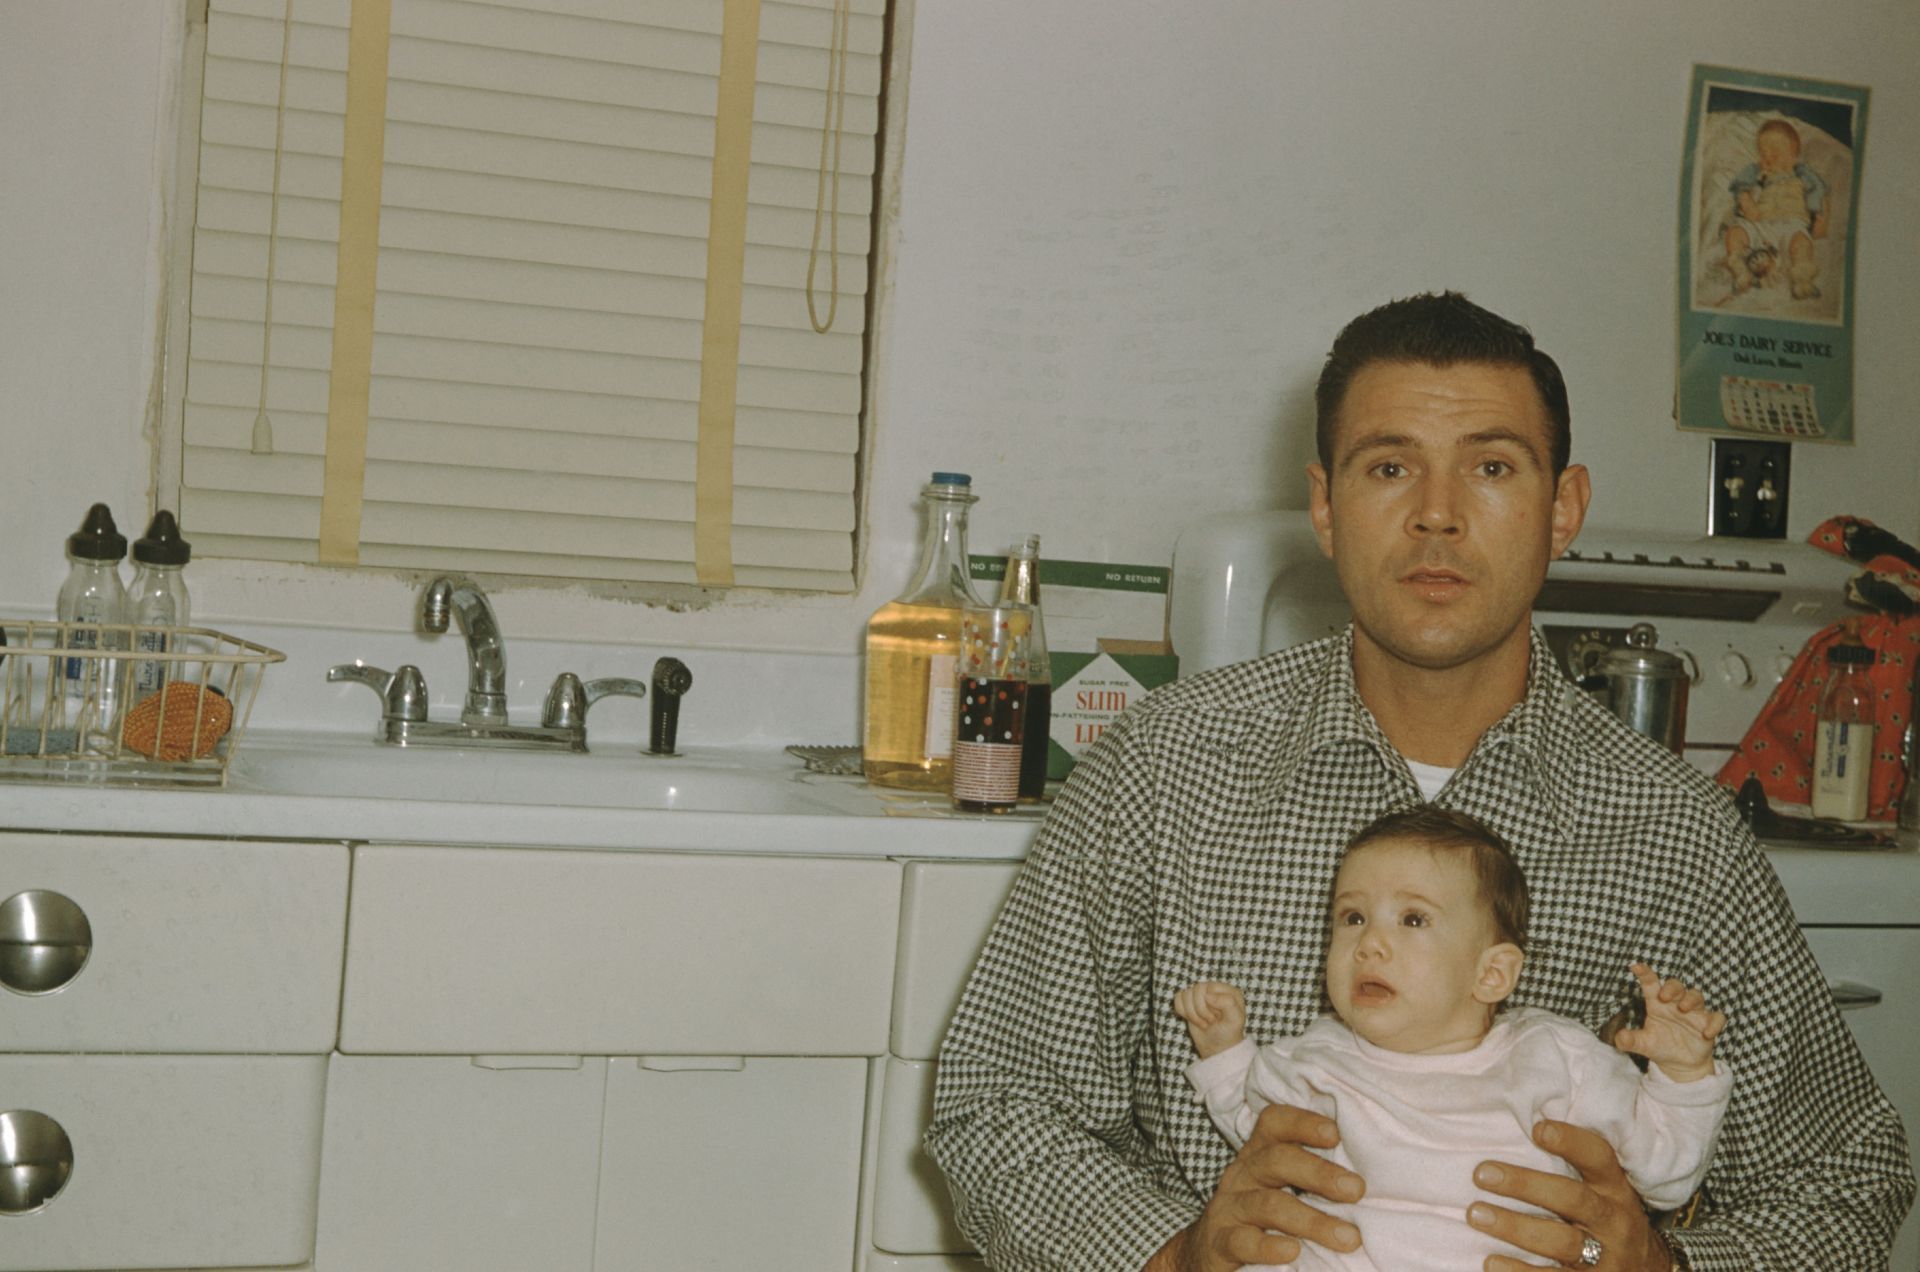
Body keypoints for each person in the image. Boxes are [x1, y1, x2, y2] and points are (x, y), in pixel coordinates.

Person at [926, 291, 1913, 1271]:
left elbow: (1845, 1179)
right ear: (1325, 504)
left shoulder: (1676, 836)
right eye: (1389, 467)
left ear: (1562, 509)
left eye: (1491, 467)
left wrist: (1670, 1268)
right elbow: (995, 1100)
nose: (1436, 516)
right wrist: (1171, 1257)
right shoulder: (1163, 769)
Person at [1172, 805, 1732, 1271]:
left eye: (1413, 919)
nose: (1370, 945)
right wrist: (1225, 1052)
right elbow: (1258, 1130)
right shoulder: (1320, 1054)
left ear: (1491, 975)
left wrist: (1684, 1075)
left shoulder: (1556, 1058)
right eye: (1352, 918)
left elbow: (1665, 1174)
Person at [1723, 117, 1828, 299]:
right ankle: (1741, 270)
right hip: (1761, 224)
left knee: (1801, 243)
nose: (1767, 156)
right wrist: (1748, 204)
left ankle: (1802, 279)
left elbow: (1819, 193)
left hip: (1792, 225)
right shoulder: (1759, 173)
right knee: (1735, 232)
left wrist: (1820, 219)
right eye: (1763, 152)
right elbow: (1740, 187)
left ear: (1794, 153)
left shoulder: (1803, 174)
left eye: (1775, 151)